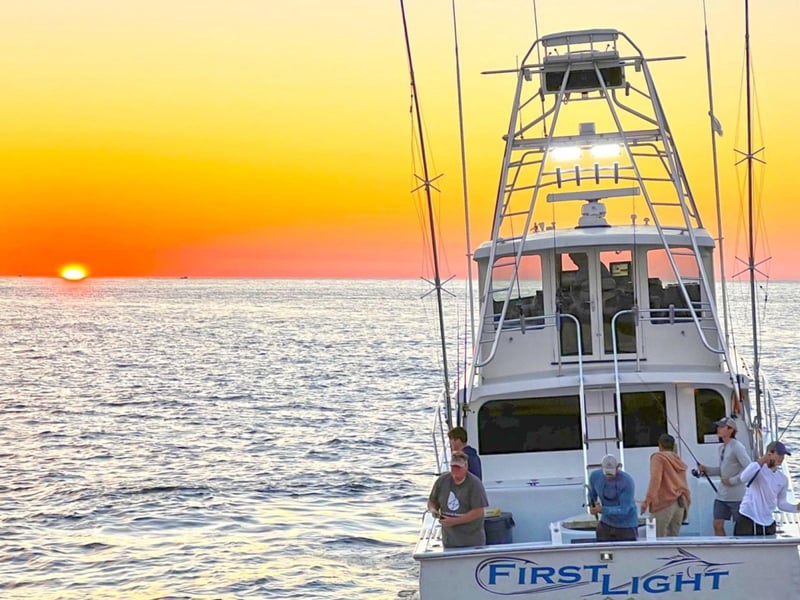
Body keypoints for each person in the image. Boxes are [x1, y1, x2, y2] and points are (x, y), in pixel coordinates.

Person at [696, 416, 750, 535]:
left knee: (741, 527)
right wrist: (707, 470)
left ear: (730, 430)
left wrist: (733, 481)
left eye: (722, 427)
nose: (718, 429)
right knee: (717, 524)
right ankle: (723, 547)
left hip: (737, 497)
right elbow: (722, 470)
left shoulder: (737, 447)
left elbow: (749, 468)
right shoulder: (721, 448)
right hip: (721, 496)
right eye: (718, 426)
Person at [734, 441, 800, 536]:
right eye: (779, 454)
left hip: (768, 522)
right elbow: (743, 477)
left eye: (783, 455)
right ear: (770, 453)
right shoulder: (757, 468)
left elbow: (781, 504)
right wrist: (764, 459)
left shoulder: (783, 479)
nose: (782, 457)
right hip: (747, 518)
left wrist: (796, 508)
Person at [427, 451, 489, 548]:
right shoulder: (442, 480)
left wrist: (454, 521)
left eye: (458, 467)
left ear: (466, 467)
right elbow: (432, 501)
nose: (455, 470)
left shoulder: (475, 484)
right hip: (449, 542)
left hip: (472, 542)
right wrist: (433, 510)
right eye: (453, 467)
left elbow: (478, 512)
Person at [640, 433, 691, 537]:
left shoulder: (658, 457)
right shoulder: (678, 460)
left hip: (664, 503)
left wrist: (647, 501)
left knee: (658, 539)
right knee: (673, 540)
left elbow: (656, 480)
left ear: (660, 445)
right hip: (680, 503)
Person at [588, 454, 638, 541]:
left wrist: (602, 509)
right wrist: (592, 505)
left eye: (611, 472)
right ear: (601, 467)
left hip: (627, 525)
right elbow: (592, 494)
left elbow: (624, 509)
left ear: (618, 467)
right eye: (606, 472)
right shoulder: (594, 477)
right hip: (606, 523)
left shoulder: (627, 481)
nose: (608, 475)